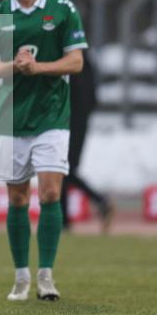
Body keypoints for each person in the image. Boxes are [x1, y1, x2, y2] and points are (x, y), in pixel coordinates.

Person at [0, 0, 87, 302]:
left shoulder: (62, 9)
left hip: (52, 116)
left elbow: (76, 62)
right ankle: (21, 276)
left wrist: (37, 67)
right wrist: (14, 66)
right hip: (12, 119)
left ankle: (46, 276)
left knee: (51, 191)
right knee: (18, 197)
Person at [59, 49, 114, 232]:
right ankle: (65, 220)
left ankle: (100, 201)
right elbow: (93, 97)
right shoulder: (84, 59)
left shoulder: (68, 59)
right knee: (63, 170)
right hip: (78, 121)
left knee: (63, 170)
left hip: (70, 121)